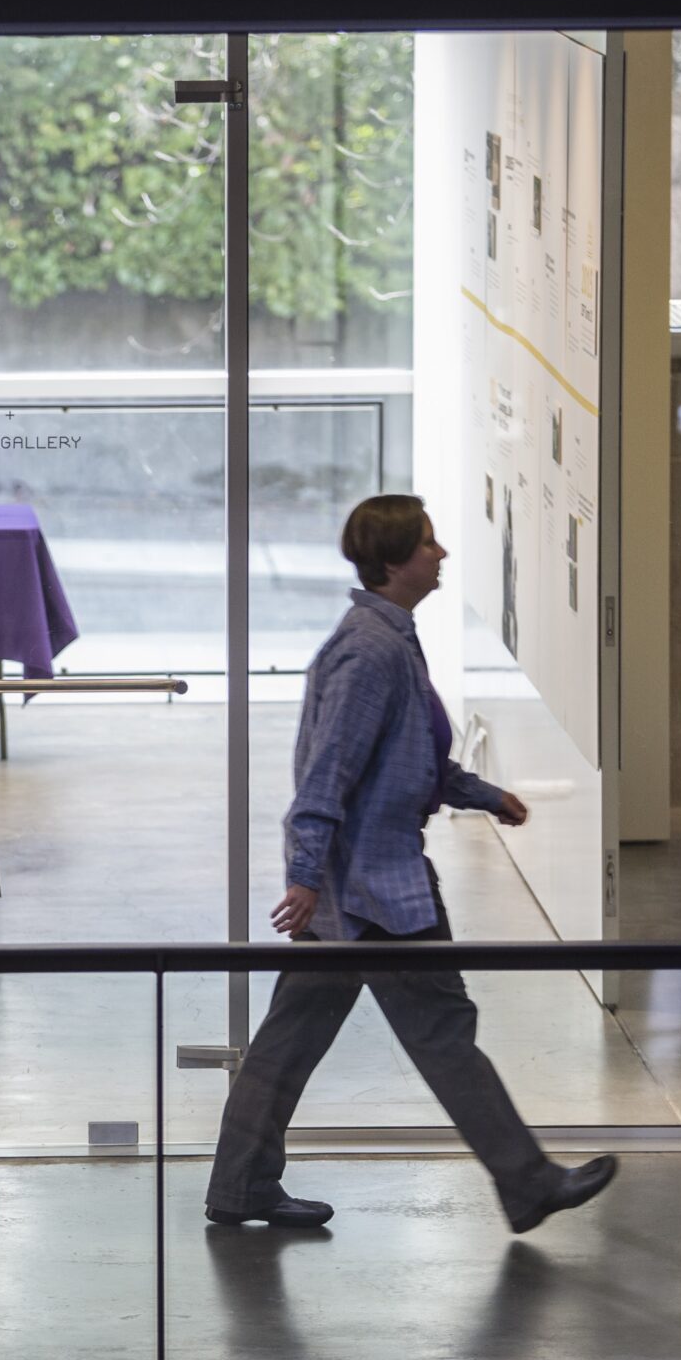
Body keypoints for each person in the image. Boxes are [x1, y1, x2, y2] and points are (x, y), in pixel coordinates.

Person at [206, 493, 617, 1234]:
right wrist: (304, 877)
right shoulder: (372, 651)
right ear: (395, 562)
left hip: (355, 888)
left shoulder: (388, 636)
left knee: (289, 1039)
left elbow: (411, 760)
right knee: (441, 1031)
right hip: (376, 892)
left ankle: (240, 1186)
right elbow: (325, 776)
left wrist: (488, 796)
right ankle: (526, 1184)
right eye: (429, 543)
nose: (442, 554)